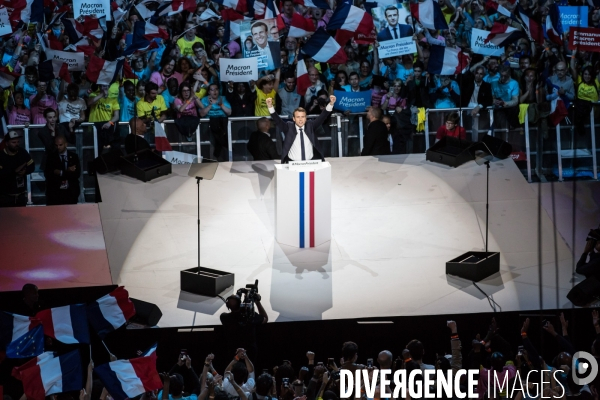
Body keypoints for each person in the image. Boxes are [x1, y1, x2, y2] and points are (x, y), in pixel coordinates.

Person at [266, 95, 335, 163]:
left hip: (310, 163)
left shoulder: (310, 125)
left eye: (302, 117)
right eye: (298, 117)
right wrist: (270, 107)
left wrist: (330, 104)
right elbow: (277, 120)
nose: (300, 119)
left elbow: (322, 117)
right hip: (292, 164)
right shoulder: (288, 127)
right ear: (294, 118)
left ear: (305, 118)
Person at [220, 290, 268, 361]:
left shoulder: (224, 317)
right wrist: (257, 303)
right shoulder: (251, 317)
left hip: (233, 353)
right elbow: (265, 318)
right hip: (250, 353)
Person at [0, 131, 34, 207]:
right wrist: (14, 171)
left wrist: (25, 171)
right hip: (5, 197)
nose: (17, 144)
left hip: (21, 196)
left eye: (18, 142)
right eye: (13, 142)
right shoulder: (1, 156)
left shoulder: (22, 152)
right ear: (7, 143)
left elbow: (32, 166)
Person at [44, 135, 80, 205]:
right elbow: (48, 174)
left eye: (60, 145)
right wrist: (68, 171)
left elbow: (77, 174)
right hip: (55, 193)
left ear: (66, 144)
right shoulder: (51, 157)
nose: (58, 147)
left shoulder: (74, 157)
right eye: (56, 145)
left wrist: (60, 172)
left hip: (71, 193)